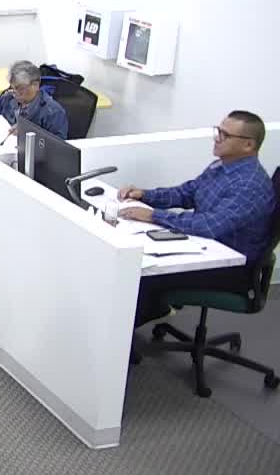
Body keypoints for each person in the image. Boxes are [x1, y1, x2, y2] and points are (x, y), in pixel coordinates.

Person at [117, 111, 276, 326]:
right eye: (218, 131)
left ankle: (121, 336)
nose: (216, 138)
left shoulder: (249, 185)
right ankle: (143, 314)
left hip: (230, 268)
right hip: (204, 249)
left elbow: (209, 226)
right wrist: (145, 195)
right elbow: (187, 193)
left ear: (248, 145)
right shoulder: (220, 166)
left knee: (144, 275)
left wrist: (154, 215)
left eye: (225, 135)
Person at [0, 60, 69, 139]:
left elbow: (58, 144)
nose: (14, 92)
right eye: (12, 87)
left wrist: (28, 133)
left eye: (19, 88)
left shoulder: (53, 111)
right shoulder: (9, 98)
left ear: (35, 85)